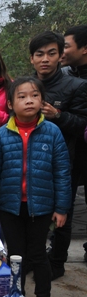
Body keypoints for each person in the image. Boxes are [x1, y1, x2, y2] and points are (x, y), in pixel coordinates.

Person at [0, 77, 71, 297]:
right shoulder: (1, 135)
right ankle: (17, 296)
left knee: (37, 253)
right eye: (21, 96)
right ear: (10, 104)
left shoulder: (52, 132)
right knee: (15, 254)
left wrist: (61, 208)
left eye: (34, 95)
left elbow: (62, 172)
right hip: (10, 206)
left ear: (42, 101)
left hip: (41, 207)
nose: (29, 100)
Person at [28, 31, 87, 280]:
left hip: (64, 162)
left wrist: (58, 116)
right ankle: (32, 257)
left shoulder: (76, 86)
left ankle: (57, 261)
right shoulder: (25, 86)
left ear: (60, 55)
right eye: (39, 54)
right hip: (30, 160)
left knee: (63, 212)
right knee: (30, 211)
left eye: (51, 53)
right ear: (32, 58)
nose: (45, 59)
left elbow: (82, 125)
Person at [61, 25, 87, 263]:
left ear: (84, 48)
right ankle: (57, 255)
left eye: (66, 46)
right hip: (71, 150)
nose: (62, 51)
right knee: (64, 203)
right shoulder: (65, 74)